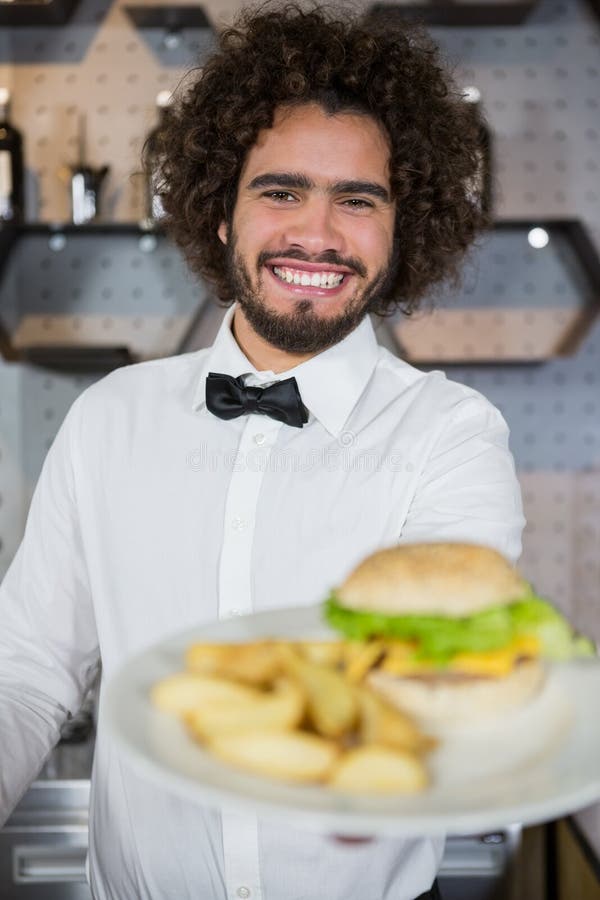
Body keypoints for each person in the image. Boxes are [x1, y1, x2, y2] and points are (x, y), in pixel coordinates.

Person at [0, 4, 525, 899]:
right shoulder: (108, 421)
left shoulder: (452, 434)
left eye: (358, 199)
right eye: (281, 191)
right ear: (219, 213)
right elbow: (28, 669)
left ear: (402, 232)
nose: (317, 234)